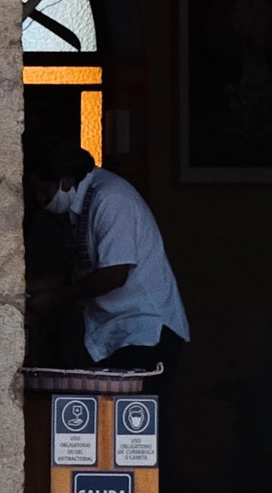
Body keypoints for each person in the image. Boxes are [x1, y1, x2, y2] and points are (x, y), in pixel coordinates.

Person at [23, 138, 189, 373]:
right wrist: (23, 289)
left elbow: (114, 274)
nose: (41, 200)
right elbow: (79, 274)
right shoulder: (80, 207)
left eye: (44, 191)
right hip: (115, 336)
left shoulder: (111, 199)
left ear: (67, 180)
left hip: (144, 333)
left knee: (134, 409)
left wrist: (55, 298)